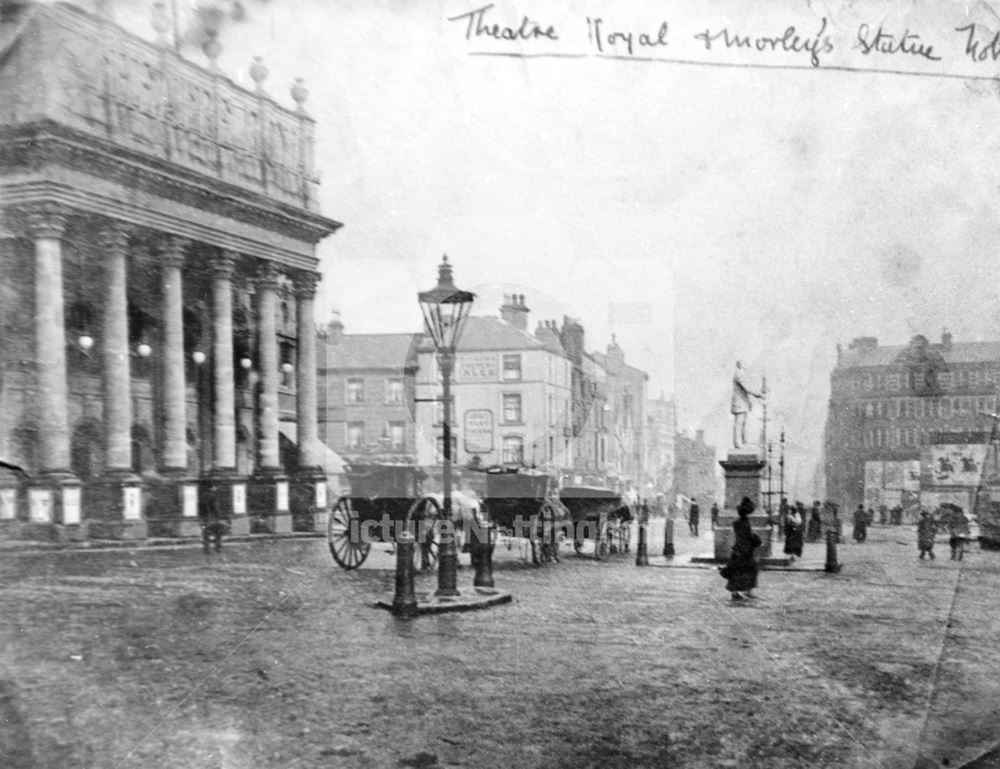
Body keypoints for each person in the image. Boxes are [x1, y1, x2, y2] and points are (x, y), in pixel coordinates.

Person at [721, 496, 762, 601]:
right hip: (745, 550)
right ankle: (747, 591)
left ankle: (737, 592)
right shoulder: (745, 523)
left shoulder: (737, 523)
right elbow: (748, 536)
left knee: (737, 571)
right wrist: (756, 539)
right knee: (749, 570)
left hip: (739, 549)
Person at [731, 360, 763, 449]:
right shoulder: (739, 374)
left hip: (742, 403)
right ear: (741, 364)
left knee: (743, 422)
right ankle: (738, 443)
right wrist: (758, 394)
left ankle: (743, 442)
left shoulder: (740, 374)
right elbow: (747, 388)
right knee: (739, 422)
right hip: (739, 403)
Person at [199, 480, 228, 554]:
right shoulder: (213, 495)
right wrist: (219, 517)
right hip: (213, 518)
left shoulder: (201, 496)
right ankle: (217, 548)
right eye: (214, 486)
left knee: (205, 535)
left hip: (204, 518)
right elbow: (216, 508)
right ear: (211, 487)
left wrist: (202, 517)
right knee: (218, 532)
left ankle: (206, 549)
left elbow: (200, 508)